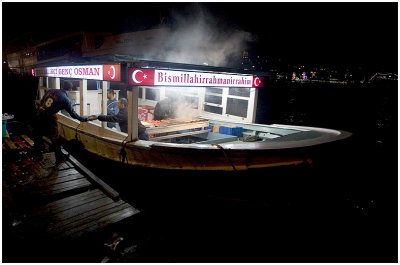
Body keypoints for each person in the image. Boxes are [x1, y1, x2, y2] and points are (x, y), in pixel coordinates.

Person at [34, 81, 88, 161]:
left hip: (40, 113)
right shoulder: (65, 98)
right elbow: (72, 114)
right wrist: (83, 119)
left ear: (62, 86)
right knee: (54, 136)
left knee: (38, 134)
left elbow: (41, 102)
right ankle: (59, 156)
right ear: (69, 89)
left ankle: (37, 154)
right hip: (50, 117)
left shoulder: (50, 91)